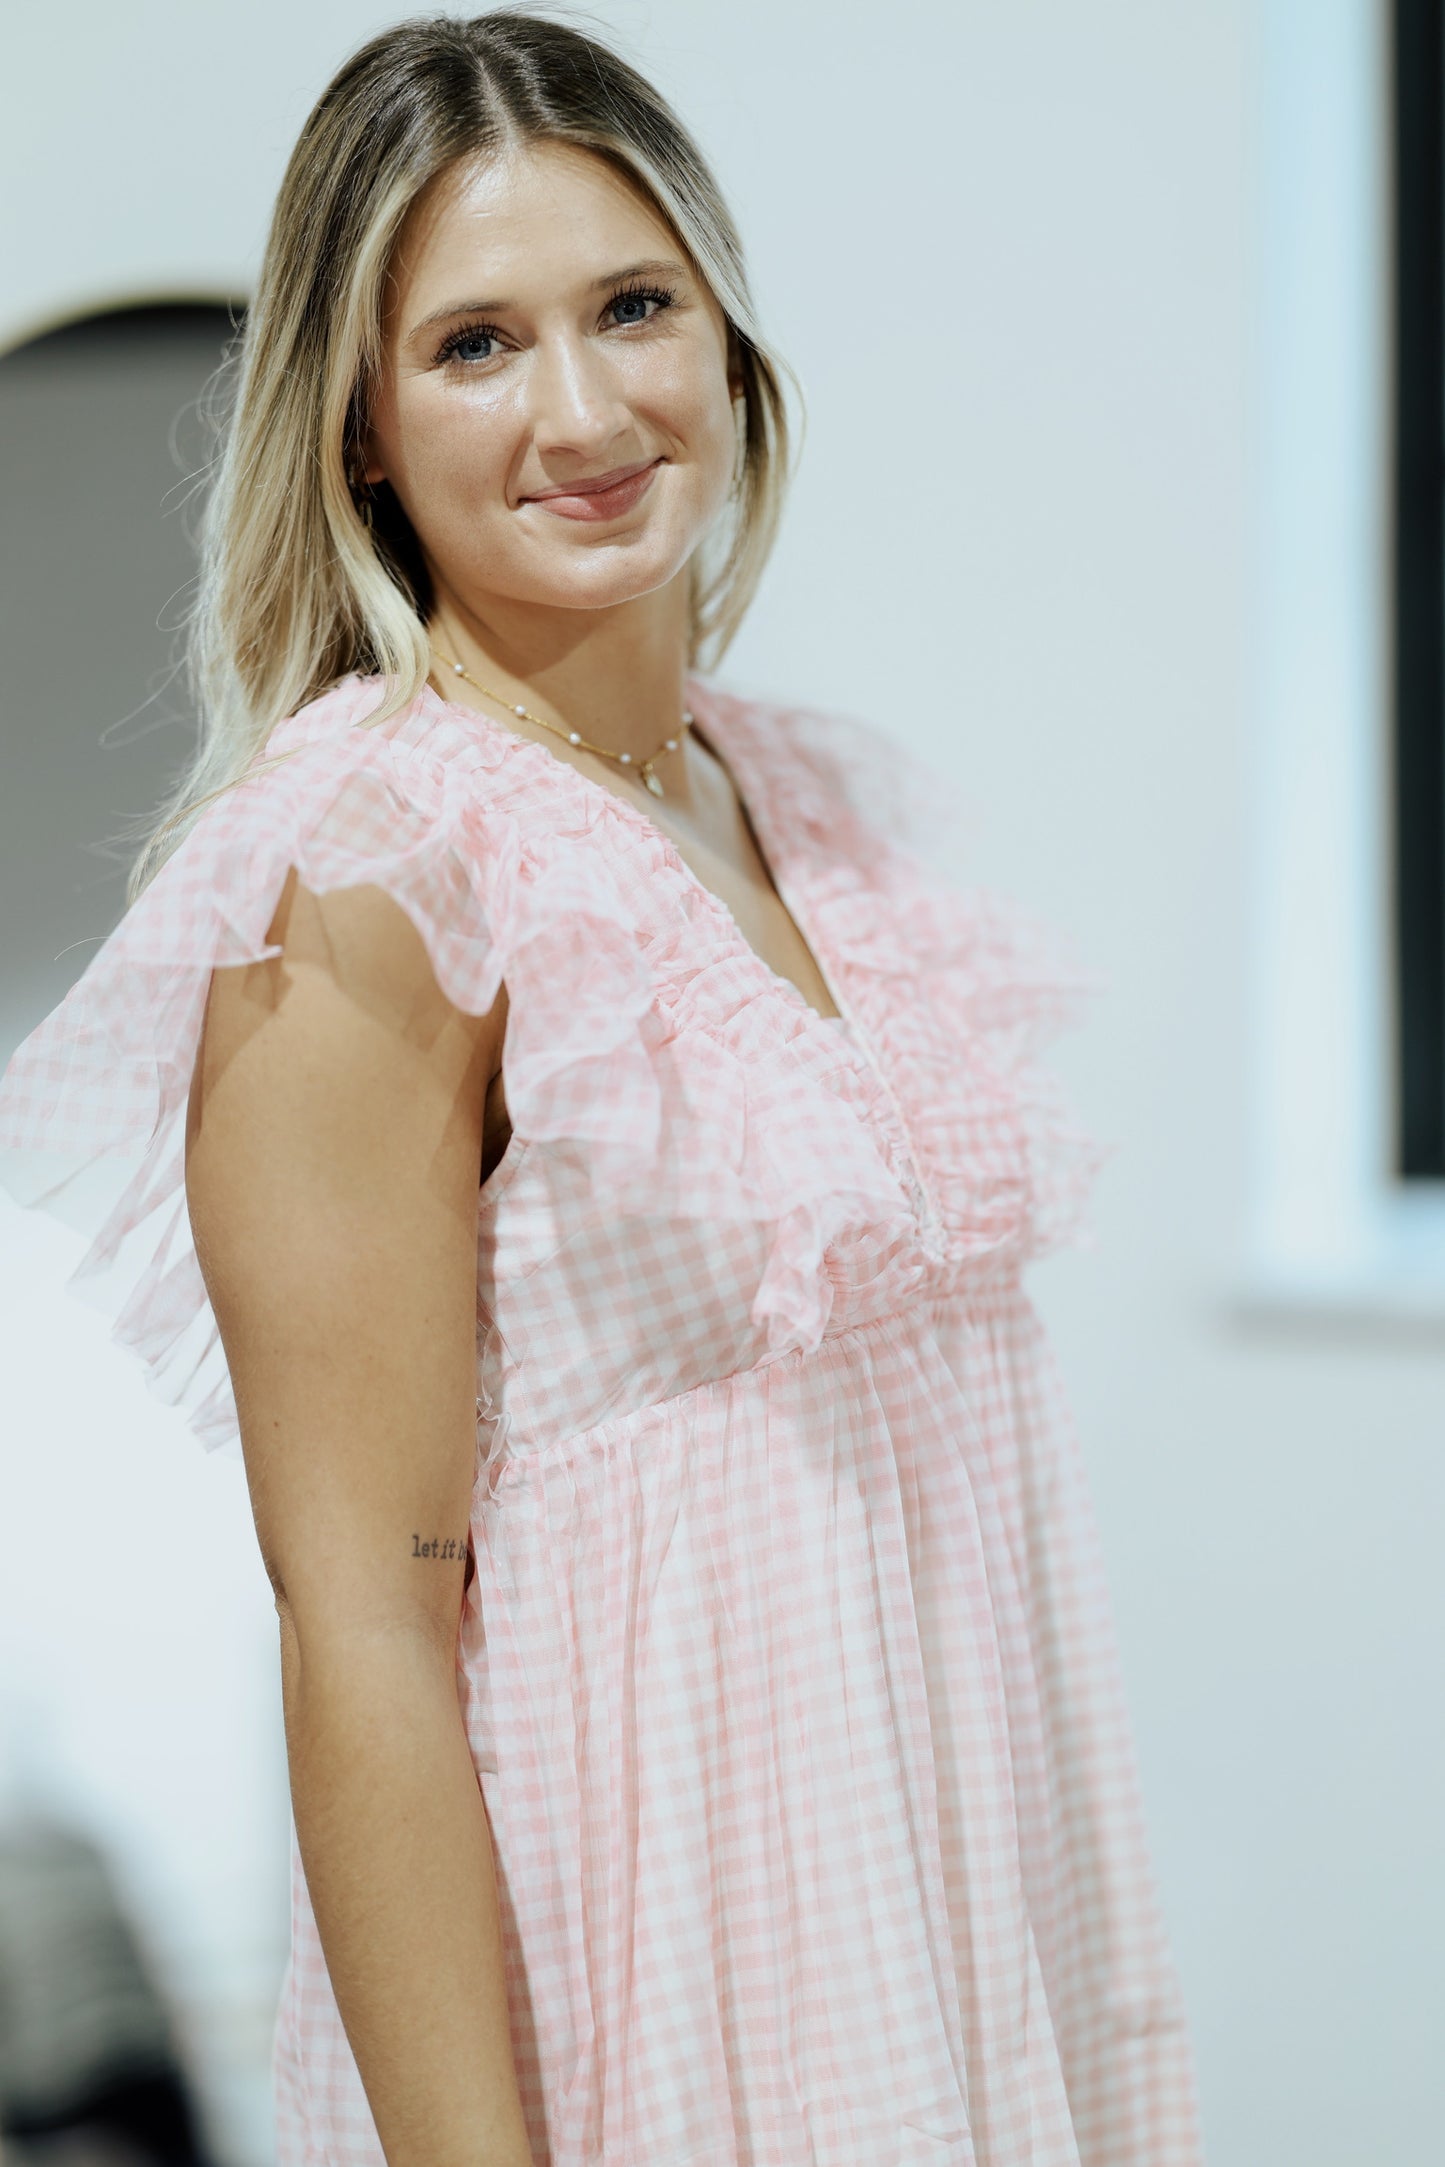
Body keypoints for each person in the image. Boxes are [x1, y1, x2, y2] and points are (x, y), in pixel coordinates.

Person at [0, 12, 1205, 2166]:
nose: (583, 408)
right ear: (359, 427)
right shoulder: (365, 874)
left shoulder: (799, 792)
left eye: (632, 307)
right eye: (474, 344)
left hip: (959, 1909)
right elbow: (365, 1630)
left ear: (725, 341)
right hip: (663, 1979)